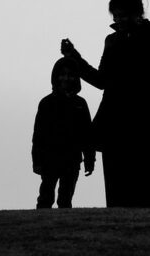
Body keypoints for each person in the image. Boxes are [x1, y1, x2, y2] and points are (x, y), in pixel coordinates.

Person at [61, 0, 150, 208]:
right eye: (115, 16)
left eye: (122, 15)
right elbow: (101, 80)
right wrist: (74, 58)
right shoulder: (112, 41)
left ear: (138, 13)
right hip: (114, 125)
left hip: (145, 122)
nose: (118, 20)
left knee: (144, 194)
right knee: (116, 197)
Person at [32, 57, 96, 209]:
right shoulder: (46, 103)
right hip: (49, 159)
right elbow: (38, 135)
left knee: (65, 199)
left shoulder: (80, 104)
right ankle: (41, 225)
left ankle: (63, 226)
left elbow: (87, 135)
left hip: (72, 160)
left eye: (70, 74)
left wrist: (89, 160)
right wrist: (37, 160)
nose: (66, 78)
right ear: (56, 77)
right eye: (62, 74)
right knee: (45, 198)